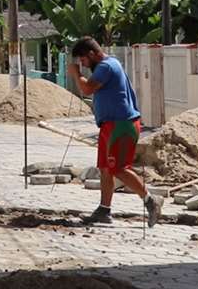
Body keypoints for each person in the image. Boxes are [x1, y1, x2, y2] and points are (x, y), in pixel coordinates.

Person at [67, 37, 164, 227]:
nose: (83, 65)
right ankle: (104, 210)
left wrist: (76, 74)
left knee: (119, 168)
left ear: (92, 54)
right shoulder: (109, 63)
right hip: (109, 125)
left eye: (84, 60)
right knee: (105, 168)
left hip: (121, 125)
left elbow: (87, 89)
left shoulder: (106, 67)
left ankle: (151, 201)